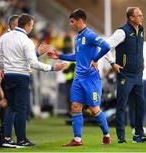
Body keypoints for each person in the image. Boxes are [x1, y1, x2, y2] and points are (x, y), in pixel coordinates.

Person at [0, 14, 67, 148]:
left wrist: (6, 68)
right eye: (32, 25)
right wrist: (52, 67)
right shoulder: (27, 41)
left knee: (11, 107)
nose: (32, 28)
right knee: (21, 109)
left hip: (8, 75)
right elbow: (33, 64)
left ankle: (6, 138)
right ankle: (21, 140)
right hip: (21, 76)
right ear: (27, 25)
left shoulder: (4, 37)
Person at [47, 9, 112, 146]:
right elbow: (77, 57)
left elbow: (106, 46)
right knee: (75, 106)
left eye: (72, 21)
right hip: (78, 78)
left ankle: (107, 136)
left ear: (80, 20)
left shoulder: (90, 35)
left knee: (94, 109)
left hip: (90, 78)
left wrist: (95, 59)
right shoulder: (77, 37)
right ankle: (77, 139)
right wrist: (59, 56)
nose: (70, 24)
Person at [105, 7, 146, 143]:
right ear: (131, 18)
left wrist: (142, 62)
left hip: (138, 75)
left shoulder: (141, 30)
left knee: (141, 104)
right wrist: (112, 63)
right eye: (139, 15)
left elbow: (138, 50)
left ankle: (138, 135)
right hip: (125, 75)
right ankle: (121, 138)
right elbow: (105, 46)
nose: (142, 18)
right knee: (122, 105)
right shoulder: (122, 32)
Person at [129, 41, 146, 134]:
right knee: (134, 103)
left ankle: (140, 125)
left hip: (144, 78)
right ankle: (134, 126)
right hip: (133, 77)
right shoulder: (129, 43)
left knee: (145, 102)